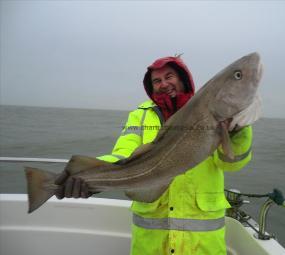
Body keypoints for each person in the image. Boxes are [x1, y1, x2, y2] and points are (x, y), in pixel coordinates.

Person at [55, 56, 253, 255]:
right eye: (156, 81)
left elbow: (230, 163)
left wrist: (238, 132)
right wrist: (89, 175)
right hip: (150, 247)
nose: (163, 84)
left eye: (169, 77)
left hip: (201, 247)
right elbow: (123, 155)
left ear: (183, 79)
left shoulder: (214, 115)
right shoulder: (139, 116)